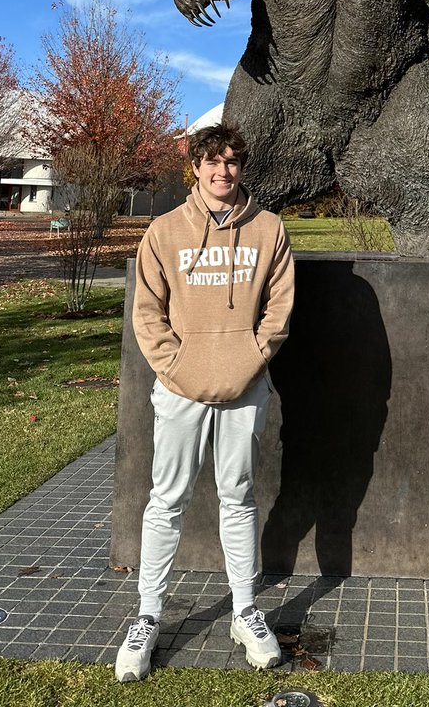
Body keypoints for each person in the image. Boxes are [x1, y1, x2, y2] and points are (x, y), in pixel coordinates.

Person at [115, 123, 294, 682]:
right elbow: (148, 312)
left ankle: (245, 609)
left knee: (238, 497)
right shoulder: (165, 232)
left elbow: (279, 307)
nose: (223, 172)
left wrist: (250, 359)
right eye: (212, 162)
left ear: (242, 167)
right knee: (166, 500)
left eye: (232, 162)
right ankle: (147, 616)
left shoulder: (268, 230)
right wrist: (178, 368)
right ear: (194, 167)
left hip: (246, 389)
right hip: (178, 391)